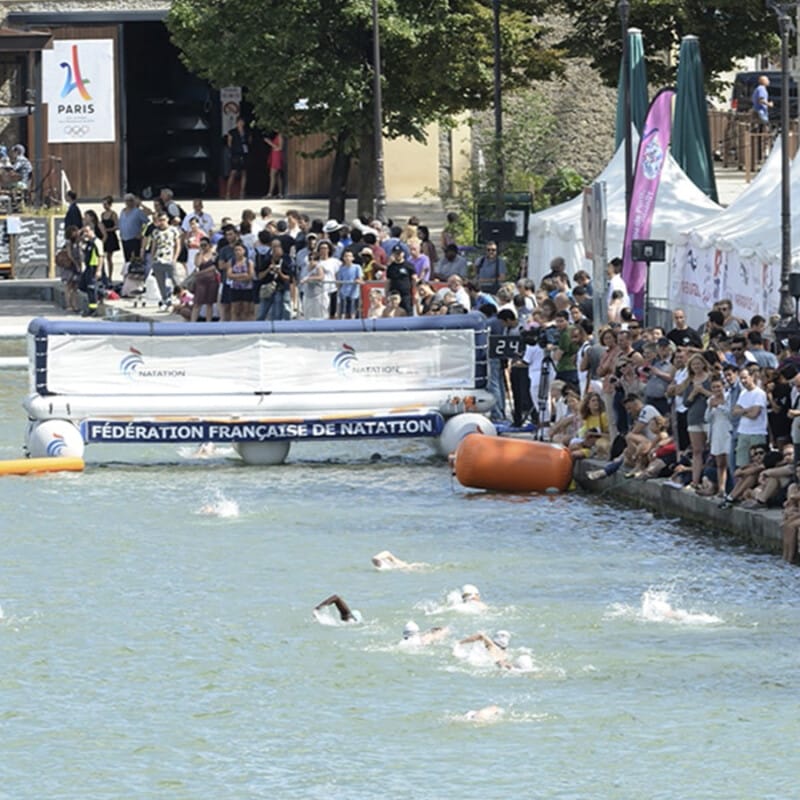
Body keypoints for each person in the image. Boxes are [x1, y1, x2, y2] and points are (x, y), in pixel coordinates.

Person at [149, 212, 181, 308]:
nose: (162, 222)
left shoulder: (173, 230)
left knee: (175, 280)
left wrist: (175, 258)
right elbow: (153, 246)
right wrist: (152, 259)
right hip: (158, 259)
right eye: (160, 220)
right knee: (160, 282)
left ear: (167, 220)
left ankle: (181, 298)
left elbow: (178, 245)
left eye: (163, 220)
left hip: (169, 258)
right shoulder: (155, 232)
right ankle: (165, 299)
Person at [385, 244, 415, 314]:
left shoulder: (408, 265)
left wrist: (415, 292)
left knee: (408, 312)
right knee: (394, 313)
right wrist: (386, 294)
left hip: (406, 294)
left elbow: (414, 279)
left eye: (399, 253)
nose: (398, 255)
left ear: (403, 253)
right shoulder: (391, 267)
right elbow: (388, 281)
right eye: (396, 253)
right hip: (394, 293)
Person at [226, 116, 251, 199]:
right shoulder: (232, 132)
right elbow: (229, 143)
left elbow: (250, 141)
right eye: (239, 122)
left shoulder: (247, 132)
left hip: (244, 154)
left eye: (242, 122)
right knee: (233, 173)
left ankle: (242, 192)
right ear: (237, 123)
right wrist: (232, 151)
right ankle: (228, 193)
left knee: (244, 173)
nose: (241, 124)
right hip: (235, 154)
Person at [99, 196, 120, 281]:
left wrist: (108, 230)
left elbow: (117, 226)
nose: (104, 206)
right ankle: (103, 274)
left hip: (111, 236)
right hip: (104, 236)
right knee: (102, 256)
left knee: (109, 257)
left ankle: (110, 275)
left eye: (106, 204)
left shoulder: (113, 214)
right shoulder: (102, 214)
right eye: (103, 204)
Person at [265, 131, 284, 198]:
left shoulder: (280, 136)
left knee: (272, 175)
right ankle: (280, 193)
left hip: (277, 156)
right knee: (278, 176)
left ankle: (270, 193)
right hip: (274, 156)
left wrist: (269, 142)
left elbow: (280, 148)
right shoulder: (277, 136)